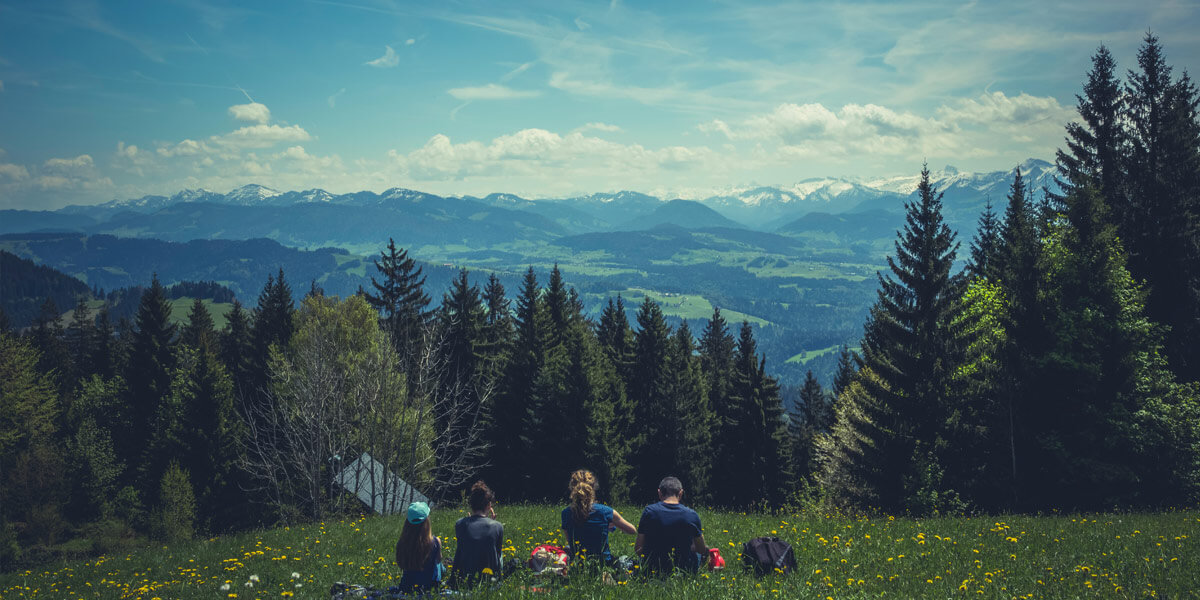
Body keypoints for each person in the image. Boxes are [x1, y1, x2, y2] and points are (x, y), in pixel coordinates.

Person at [635, 476, 713, 576]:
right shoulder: (692, 515)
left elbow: (638, 549)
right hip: (684, 570)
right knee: (704, 549)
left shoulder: (649, 512)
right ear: (680, 493)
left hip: (653, 569)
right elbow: (701, 549)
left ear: (659, 493)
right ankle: (701, 572)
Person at [560, 469, 636, 567]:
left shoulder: (565, 513)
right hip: (603, 564)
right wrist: (615, 525)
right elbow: (632, 530)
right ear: (593, 488)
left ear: (572, 488)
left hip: (579, 564)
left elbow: (571, 542)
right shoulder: (605, 511)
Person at [452, 480, 504, 587]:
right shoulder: (497, 526)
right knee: (500, 554)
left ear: (471, 505)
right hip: (488, 579)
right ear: (489, 505)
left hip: (464, 579)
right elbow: (497, 554)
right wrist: (492, 522)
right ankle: (498, 580)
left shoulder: (460, 524)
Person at [395, 501, 444, 594]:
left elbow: (400, 563)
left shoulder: (402, 543)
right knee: (440, 566)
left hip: (407, 588)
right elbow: (438, 561)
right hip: (428, 589)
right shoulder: (436, 542)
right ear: (427, 521)